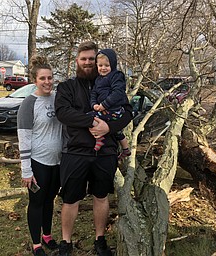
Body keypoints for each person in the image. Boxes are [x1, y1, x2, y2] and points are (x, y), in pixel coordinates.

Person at [55, 41, 133, 256]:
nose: (88, 62)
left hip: (105, 152)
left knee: (101, 196)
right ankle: (65, 242)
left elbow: (127, 112)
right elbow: (63, 113)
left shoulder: (111, 84)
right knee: (70, 199)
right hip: (75, 152)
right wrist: (91, 122)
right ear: (77, 61)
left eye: (92, 59)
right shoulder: (67, 87)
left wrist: (109, 126)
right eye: (84, 59)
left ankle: (100, 240)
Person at [17, 56, 62, 256]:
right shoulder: (29, 104)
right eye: (43, 78)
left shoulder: (58, 99)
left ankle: (47, 236)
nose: (47, 82)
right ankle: (36, 243)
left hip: (57, 162)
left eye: (50, 78)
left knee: (50, 200)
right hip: (38, 163)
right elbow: (24, 138)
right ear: (35, 80)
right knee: (36, 202)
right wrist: (26, 170)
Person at [89, 48, 131, 159]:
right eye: (100, 66)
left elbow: (118, 93)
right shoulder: (98, 80)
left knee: (89, 117)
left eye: (106, 65)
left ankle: (99, 138)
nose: (103, 68)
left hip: (114, 109)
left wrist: (104, 105)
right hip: (104, 109)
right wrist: (93, 104)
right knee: (117, 132)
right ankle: (126, 149)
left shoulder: (116, 76)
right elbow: (93, 93)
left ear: (112, 64)